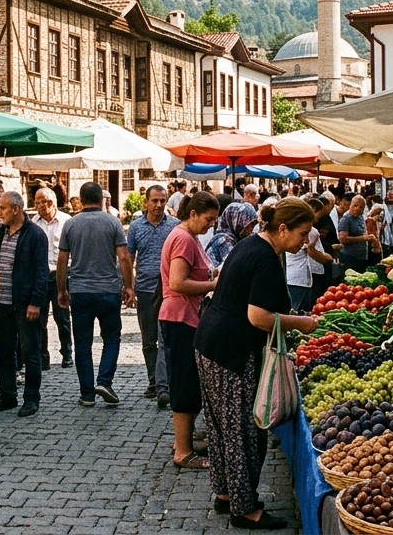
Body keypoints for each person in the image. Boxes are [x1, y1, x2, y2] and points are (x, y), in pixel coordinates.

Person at [195, 198, 320, 528]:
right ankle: (245, 509)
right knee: (242, 432)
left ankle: (226, 494)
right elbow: (259, 317)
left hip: (212, 343)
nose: (305, 241)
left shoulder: (251, 243)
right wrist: (301, 323)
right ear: (283, 229)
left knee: (222, 428)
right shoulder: (265, 258)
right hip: (231, 352)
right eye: (303, 233)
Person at [56, 182, 134, 407]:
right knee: (112, 338)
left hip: (80, 291)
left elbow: (62, 259)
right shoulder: (112, 222)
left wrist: (62, 289)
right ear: (102, 199)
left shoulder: (70, 224)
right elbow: (124, 256)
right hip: (108, 290)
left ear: (80, 200)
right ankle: (105, 380)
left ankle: (87, 394)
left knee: (82, 343)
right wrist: (128, 286)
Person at [161, 190, 220, 471]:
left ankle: (183, 441)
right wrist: (214, 285)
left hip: (186, 318)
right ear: (193, 214)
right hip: (180, 317)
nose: (211, 225)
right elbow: (177, 283)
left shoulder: (189, 237)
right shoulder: (183, 238)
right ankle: (182, 452)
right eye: (208, 219)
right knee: (184, 382)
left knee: (190, 381)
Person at [0, 191, 49, 418]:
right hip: (3, 302)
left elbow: (41, 272)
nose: (0, 212)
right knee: (4, 351)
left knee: (29, 351)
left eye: (3, 208)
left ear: (15, 209)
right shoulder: (1, 231)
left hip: (25, 304)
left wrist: (35, 302)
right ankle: (8, 395)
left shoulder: (35, 234)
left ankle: (32, 399)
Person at [126, 185, 179, 406]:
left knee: (166, 337)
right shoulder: (136, 227)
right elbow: (128, 256)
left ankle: (164, 384)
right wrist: (128, 285)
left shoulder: (175, 226)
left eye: (162, 201)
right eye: (155, 201)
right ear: (145, 202)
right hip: (145, 289)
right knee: (149, 339)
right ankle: (153, 381)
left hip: (169, 291)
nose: (158, 205)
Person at [31, 188, 73, 369]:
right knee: (40, 319)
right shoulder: (33, 223)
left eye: (43, 202)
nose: (39, 205)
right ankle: (43, 356)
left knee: (62, 317)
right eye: (37, 202)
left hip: (60, 274)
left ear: (51, 203)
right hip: (39, 275)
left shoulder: (66, 221)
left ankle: (67, 353)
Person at [206, 202, 258, 271]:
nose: (252, 229)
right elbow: (236, 267)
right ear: (238, 222)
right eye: (249, 225)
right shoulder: (224, 241)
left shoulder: (236, 239)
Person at [337, 195, 377, 274]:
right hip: (350, 257)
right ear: (350, 205)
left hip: (361, 258)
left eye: (360, 207)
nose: (357, 209)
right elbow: (342, 239)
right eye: (355, 206)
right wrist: (363, 238)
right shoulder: (346, 219)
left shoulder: (360, 217)